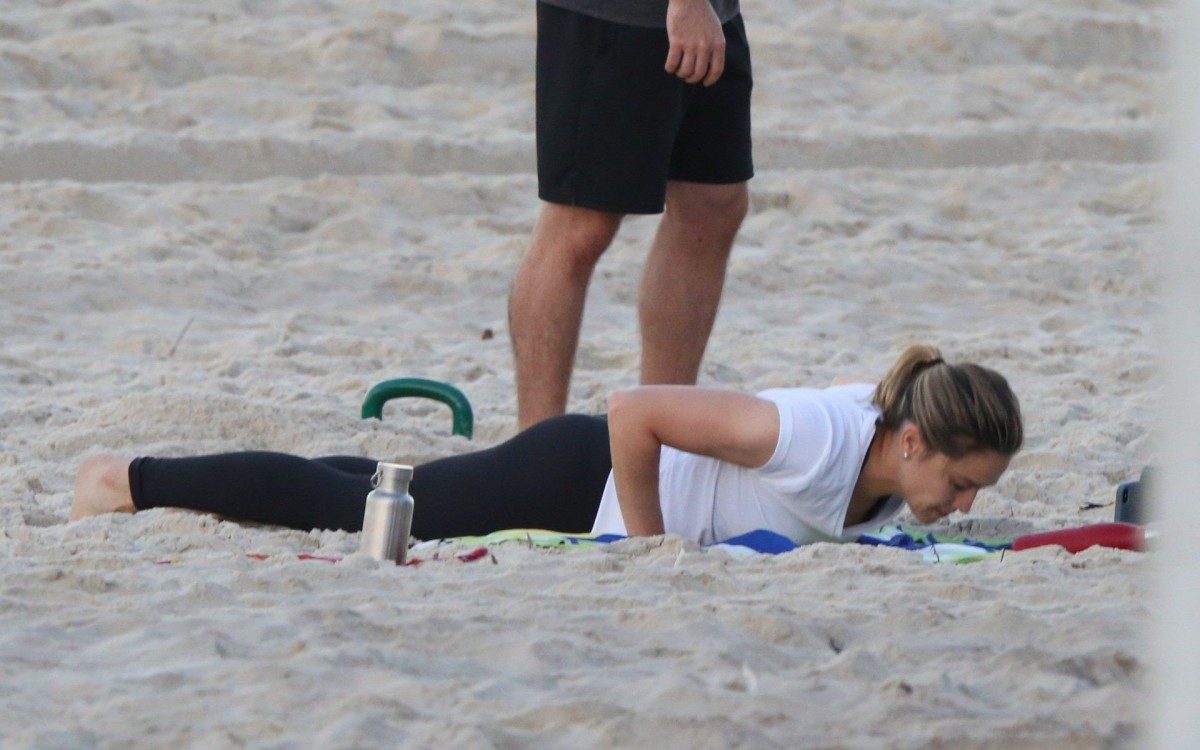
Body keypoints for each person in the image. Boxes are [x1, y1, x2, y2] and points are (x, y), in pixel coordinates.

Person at [71, 345, 1023, 548]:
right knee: (356, 512)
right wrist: (643, 548)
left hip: (587, 481)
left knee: (385, 484)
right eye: (963, 481)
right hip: (581, 480)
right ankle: (127, 479)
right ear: (909, 441)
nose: (964, 501)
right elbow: (635, 406)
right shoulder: (814, 440)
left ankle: (136, 477)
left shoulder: (896, 452)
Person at [509, 0, 754, 429]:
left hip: (710, 15)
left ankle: (662, 431)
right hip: (621, 13)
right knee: (581, 221)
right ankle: (534, 448)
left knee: (712, 204)